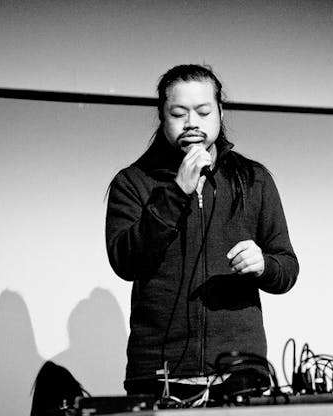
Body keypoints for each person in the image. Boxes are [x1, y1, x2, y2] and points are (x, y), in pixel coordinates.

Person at [105, 64, 299, 399]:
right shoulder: (132, 182)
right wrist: (177, 190)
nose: (191, 122)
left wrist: (264, 265)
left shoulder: (253, 179)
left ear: (220, 113)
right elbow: (126, 262)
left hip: (240, 372)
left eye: (203, 111)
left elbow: (287, 268)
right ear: (162, 117)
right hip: (158, 374)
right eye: (178, 113)